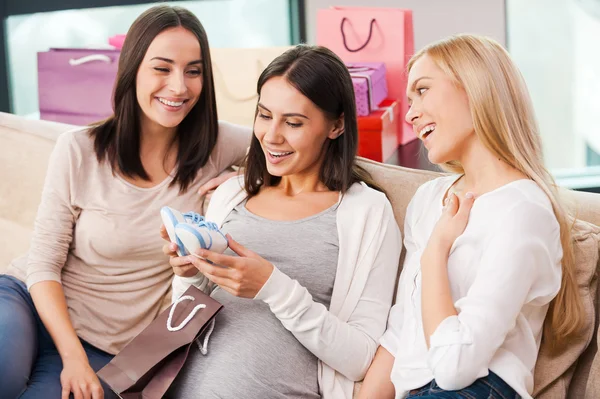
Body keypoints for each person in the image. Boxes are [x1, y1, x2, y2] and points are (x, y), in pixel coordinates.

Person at [0, 5, 251, 399]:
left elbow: (289, 152)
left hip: (114, 347)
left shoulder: (217, 146)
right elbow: (43, 264)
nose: (179, 87)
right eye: (162, 68)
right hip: (31, 304)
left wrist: (245, 178)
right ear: (132, 69)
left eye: (193, 70)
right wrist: (72, 358)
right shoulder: (79, 149)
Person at [161, 44, 402, 399]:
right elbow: (181, 323)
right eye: (264, 115)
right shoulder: (232, 194)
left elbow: (361, 358)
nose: (272, 136)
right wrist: (188, 274)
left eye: (293, 123)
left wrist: (273, 287)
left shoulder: (366, 212)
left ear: (335, 125)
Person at [357, 34, 585, 399]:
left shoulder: (524, 209)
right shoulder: (429, 199)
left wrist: (437, 249)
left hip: (478, 388)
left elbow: (453, 367)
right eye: (409, 99)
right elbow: (402, 330)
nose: (411, 114)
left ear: (474, 88)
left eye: (423, 90)